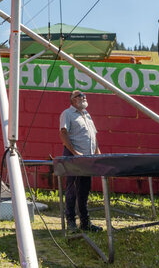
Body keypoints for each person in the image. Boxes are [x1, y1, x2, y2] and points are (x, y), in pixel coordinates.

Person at [59, 90, 101, 232]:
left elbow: (93, 136)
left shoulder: (87, 115)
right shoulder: (68, 114)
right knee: (72, 190)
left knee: (84, 190)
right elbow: (63, 133)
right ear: (72, 100)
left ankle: (85, 223)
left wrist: (97, 153)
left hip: (88, 159)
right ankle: (71, 222)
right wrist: (74, 152)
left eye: (84, 95)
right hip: (74, 157)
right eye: (79, 95)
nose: (83, 97)